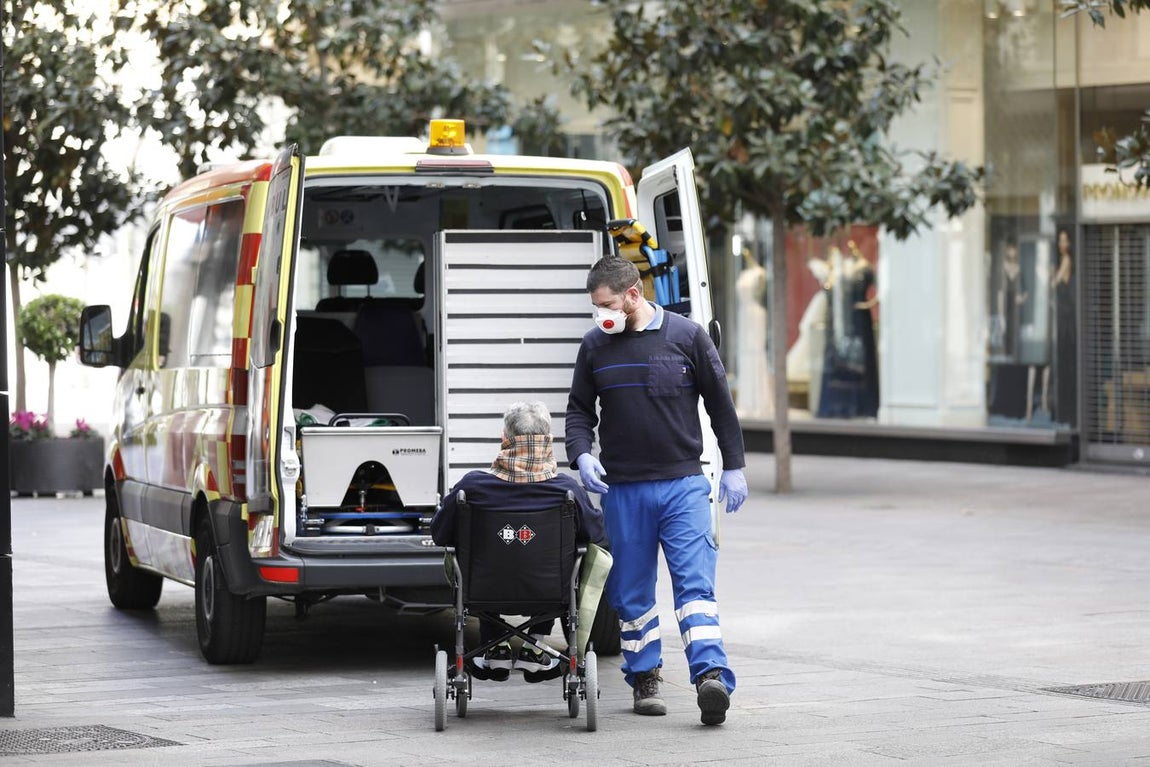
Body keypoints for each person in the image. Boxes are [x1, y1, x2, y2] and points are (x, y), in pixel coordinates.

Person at [565, 255, 748, 726]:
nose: (601, 314)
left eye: (607, 305)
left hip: (683, 485)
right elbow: (579, 411)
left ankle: (710, 676)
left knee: (695, 587)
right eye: (596, 307)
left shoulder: (687, 336)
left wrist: (734, 466)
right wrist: (581, 454)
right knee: (631, 594)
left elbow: (721, 405)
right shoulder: (594, 345)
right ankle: (645, 678)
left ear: (633, 294)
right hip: (624, 491)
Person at [431, 401, 607, 682]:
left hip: (482, 591)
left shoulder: (472, 487)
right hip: (550, 592)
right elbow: (596, 534)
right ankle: (535, 646)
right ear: (548, 441)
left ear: (505, 439)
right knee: (564, 558)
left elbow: (439, 534)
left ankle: (495, 645)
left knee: (477, 559)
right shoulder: (566, 490)